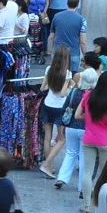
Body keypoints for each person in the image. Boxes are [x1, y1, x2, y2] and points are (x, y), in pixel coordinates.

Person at [74, 71, 107, 213]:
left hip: (89, 139)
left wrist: (89, 119)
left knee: (87, 172)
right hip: (106, 140)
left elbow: (77, 115)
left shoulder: (88, 95)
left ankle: (86, 206)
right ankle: (101, 205)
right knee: (104, 174)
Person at [55, 68, 97, 194]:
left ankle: (62, 177)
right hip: (85, 129)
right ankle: (82, 186)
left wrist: (62, 126)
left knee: (70, 152)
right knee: (84, 157)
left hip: (71, 126)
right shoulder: (93, 95)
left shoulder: (73, 91)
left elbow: (64, 108)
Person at [39, 47, 73, 178]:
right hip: (59, 107)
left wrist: (52, 86)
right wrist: (70, 85)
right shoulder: (67, 73)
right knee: (62, 138)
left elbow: (43, 88)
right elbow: (64, 93)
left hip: (47, 104)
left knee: (47, 137)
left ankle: (49, 166)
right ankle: (46, 164)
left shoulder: (49, 69)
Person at [48, 0, 87, 73]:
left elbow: (51, 37)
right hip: (73, 54)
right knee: (71, 79)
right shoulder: (82, 19)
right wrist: (85, 56)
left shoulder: (57, 16)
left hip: (58, 53)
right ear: (77, 4)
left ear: (67, 3)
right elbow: (83, 41)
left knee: (56, 77)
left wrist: (51, 51)